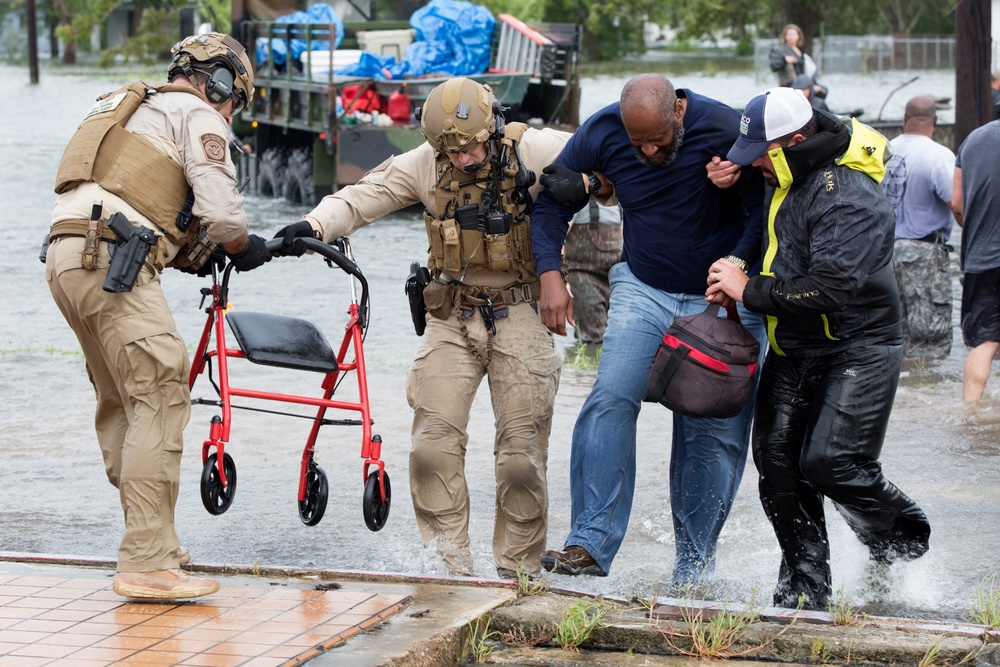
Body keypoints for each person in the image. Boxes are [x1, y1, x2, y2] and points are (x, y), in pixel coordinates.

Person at [271, 78, 571, 579]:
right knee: (430, 449)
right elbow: (364, 195)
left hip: (522, 310)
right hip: (452, 314)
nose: (466, 158)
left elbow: (609, 163)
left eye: (474, 146)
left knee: (521, 458)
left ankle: (518, 576)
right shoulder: (426, 163)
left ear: (492, 126)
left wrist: (589, 184)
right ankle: (449, 570)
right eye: (453, 151)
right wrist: (315, 226)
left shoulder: (536, 149)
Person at [45, 33, 272, 599]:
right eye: (233, 100)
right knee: (162, 390)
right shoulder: (198, 114)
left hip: (65, 255)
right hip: (113, 260)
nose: (229, 112)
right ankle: (147, 563)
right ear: (219, 82)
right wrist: (246, 247)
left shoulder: (130, 106)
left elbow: (149, 200)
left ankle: (155, 540)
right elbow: (222, 215)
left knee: (123, 400)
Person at [531, 73, 766, 585]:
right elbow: (552, 202)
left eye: (658, 139)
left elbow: (765, 210)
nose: (650, 150)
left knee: (710, 427)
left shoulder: (725, 128)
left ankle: (693, 570)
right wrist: (552, 274)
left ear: (678, 112)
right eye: (639, 143)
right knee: (611, 395)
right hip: (644, 286)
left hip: (721, 292)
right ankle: (588, 543)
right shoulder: (602, 132)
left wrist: (738, 266)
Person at [706, 87, 931, 610]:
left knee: (832, 461)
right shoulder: (783, 171)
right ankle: (806, 592)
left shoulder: (848, 192)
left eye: (761, 152)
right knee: (778, 462)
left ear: (798, 140)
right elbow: (775, 245)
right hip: (796, 340)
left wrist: (750, 291)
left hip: (861, 343)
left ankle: (902, 538)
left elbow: (831, 288)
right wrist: (739, 269)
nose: (753, 162)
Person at [880, 95, 958, 360]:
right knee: (930, 338)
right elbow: (957, 203)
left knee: (893, 333)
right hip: (923, 254)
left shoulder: (883, 151)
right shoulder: (938, 156)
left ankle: (902, 391)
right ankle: (927, 391)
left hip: (884, 254)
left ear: (904, 119)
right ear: (936, 121)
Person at [953, 115, 1000, 402]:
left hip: (982, 258)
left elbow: (957, 203)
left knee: (984, 341)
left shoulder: (973, 140)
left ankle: (970, 412)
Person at [564, 201, 623, 354]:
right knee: (594, 334)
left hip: (615, 277)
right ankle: (587, 370)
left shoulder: (621, 198)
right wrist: (562, 277)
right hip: (583, 275)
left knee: (618, 333)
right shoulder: (579, 196)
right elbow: (561, 231)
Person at [769, 24, 822, 91]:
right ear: (785, 36)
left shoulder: (801, 51)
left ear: (799, 36)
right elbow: (774, 65)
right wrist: (784, 60)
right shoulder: (780, 50)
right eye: (789, 35)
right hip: (790, 85)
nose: (792, 37)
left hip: (805, 82)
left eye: (794, 34)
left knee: (822, 91)